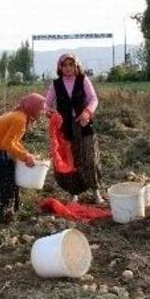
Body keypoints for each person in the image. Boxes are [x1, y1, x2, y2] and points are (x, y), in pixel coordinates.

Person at [45, 53, 104, 204]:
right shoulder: (56, 84)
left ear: (76, 65)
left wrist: (87, 112)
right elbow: (47, 103)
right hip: (65, 127)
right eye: (65, 65)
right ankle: (73, 193)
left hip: (83, 124)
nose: (68, 68)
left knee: (89, 157)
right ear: (60, 67)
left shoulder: (83, 80)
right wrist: (48, 111)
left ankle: (96, 192)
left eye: (71, 65)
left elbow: (93, 99)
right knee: (71, 158)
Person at [0, 93, 45, 222]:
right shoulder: (20, 120)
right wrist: (25, 156)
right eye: (40, 109)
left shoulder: (22, 116)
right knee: (3, 177)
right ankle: (5, 213)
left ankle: (12, 209)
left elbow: (14, 141)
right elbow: (7, 143)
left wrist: (26, 154)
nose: (42, 112)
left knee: (10, 174)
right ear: (32, 107)